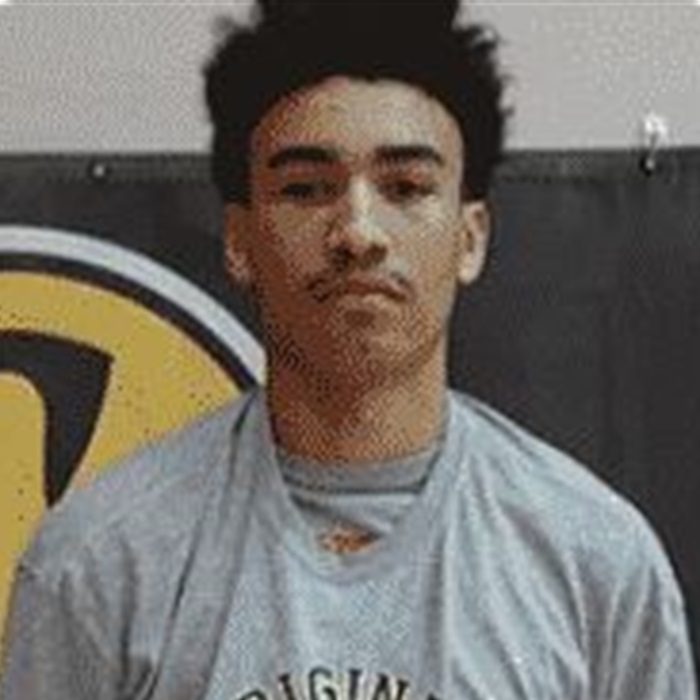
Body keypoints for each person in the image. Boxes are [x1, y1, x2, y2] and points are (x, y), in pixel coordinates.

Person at [1, 1, 697, 698]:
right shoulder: (97, 562)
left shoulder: (595, 561)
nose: (359, 232)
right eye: (306, 189)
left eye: (406, 187)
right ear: (239, 240)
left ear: (471, 237)